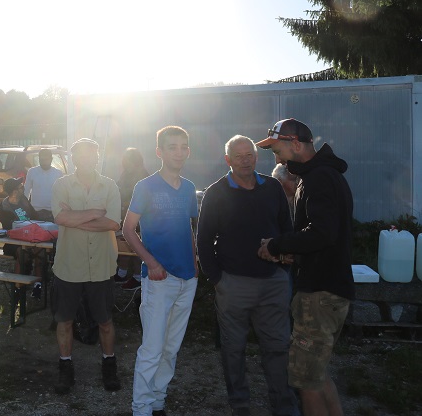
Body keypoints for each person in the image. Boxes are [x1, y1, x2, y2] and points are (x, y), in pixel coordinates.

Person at [257, 118, 355, 416]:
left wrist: (277, 245)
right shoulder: (320, 175)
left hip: (319, 294)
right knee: (317, 373)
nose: (277, 159)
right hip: (327, 289)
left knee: (305, 380)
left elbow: (321, 233)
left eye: (278, 151)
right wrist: (293, 255)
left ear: (296, 144)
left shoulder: (318, 178)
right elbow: (325, 238)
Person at [196, 135, 298, 416]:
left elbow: (287, 231)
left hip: (273, 283)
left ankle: (284, 406)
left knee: (278, 347)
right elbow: (203, 240)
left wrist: (283, 270)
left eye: (249, 155)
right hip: (233, 285)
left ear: (256, 156)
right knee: (233, 349)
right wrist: (218, 280)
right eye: (238, 156)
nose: (245, 161)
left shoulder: (273, 187)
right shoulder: (216, 193)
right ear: (227, 160)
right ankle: (240, 404)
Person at [122, 126, 199, 416]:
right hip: (158, 279)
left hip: (187, 279)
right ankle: (141, 408)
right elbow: (128, 230)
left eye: (183, 146)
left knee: (171, 348)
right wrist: (151, 263)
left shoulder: (189, 188)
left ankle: (157, 401)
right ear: (159, 152)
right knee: (153, 349)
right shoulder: (145, 186)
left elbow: (189, 229)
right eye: (172, 147)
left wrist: (194, 265)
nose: (179, 152)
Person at [50, 137, 122, 394]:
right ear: (73, 159)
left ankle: (109, 366)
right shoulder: (61, 185)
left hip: (101, 265)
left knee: (105, 321)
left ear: (97, 158)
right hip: (69, 265)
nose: (86, 159)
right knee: (65, 320)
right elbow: (60, 217)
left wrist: (75, 218)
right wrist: (95, 213)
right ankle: (65, 368)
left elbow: (113, 223)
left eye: (91, 155)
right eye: (80, 155)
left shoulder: (110, 186)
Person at [0, 176, 43, 299]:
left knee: (40, 251)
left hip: (31, 237)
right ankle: (17, 288)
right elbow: (8, 227)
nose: (23, 189)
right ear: (14, 191)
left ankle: (38, 286)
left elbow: (36, 217)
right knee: (22, 252)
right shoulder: (4, 206)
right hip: (13, 241)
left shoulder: (24, 200)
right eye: (21, 187)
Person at [114, 147, 150, 291]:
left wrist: (126, 202)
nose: (124, 163)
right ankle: (122, 273)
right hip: (125, 215)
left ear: (135, 161)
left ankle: (138, 277)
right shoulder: (125, 174)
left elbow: (144, 199)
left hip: (140, 219)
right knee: (124, 244)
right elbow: (118, 188)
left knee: (136, 248)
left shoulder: (143, 176)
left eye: (127, 160)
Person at [24, 147, 63, 222]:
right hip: (35, 212)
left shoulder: (58, 173)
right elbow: (26, 190)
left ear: (51, 159)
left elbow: (62, 193)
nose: (44, 162)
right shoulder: (32, 172)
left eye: (46, 160)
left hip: (53, 212)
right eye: (41, 160)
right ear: (38, 159)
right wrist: (25, 207)